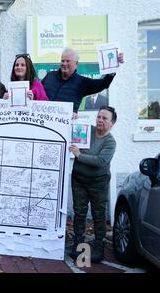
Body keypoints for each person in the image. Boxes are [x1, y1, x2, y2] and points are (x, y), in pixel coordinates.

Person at [69, 106, 117, 263]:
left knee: (98, 214)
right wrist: (72, 119)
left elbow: (100, 161)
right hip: (79, 180)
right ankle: (79, 245)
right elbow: (71, 131)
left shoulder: (110, 142)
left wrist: (79, 155)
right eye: (99, 117)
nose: (100, 120)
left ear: (112, 123)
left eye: (105, 118)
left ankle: (98, 249)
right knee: (79, 212)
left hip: (98, 182)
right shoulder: (86, 130)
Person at [42, 47, 124, 113]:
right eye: (62, 61)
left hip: (64, 128)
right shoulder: (50, 76)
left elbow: (103, 84)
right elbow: (38, 93)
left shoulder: (81, 82)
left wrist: (113, 66)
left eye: (68, 61)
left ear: (76, 63)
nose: (64, 64)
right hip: (44, 125)